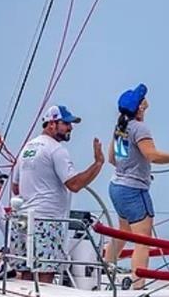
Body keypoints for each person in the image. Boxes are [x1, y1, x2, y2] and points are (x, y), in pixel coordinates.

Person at [103, 83, 169, 289]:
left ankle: (103, 273)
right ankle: (139, 284)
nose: (147, 103)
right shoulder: (139, 128)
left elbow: (113, 159)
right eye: (143, 102)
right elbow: (152, 155)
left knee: (122, 231)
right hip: (133, 191)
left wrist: (137, 169)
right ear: (139, 107)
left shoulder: (120, 127)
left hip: (116, 187)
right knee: (142, 240)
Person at [11, 105, 104, 283]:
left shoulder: (27, 148)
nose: (70, 128)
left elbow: (16, 188)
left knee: (26, 273)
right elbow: (74, 184)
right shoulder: (56, 150)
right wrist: (98, 163)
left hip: (23, 221)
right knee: (46, 272)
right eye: (66, 123)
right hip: (47, 221)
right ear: (51, 124)